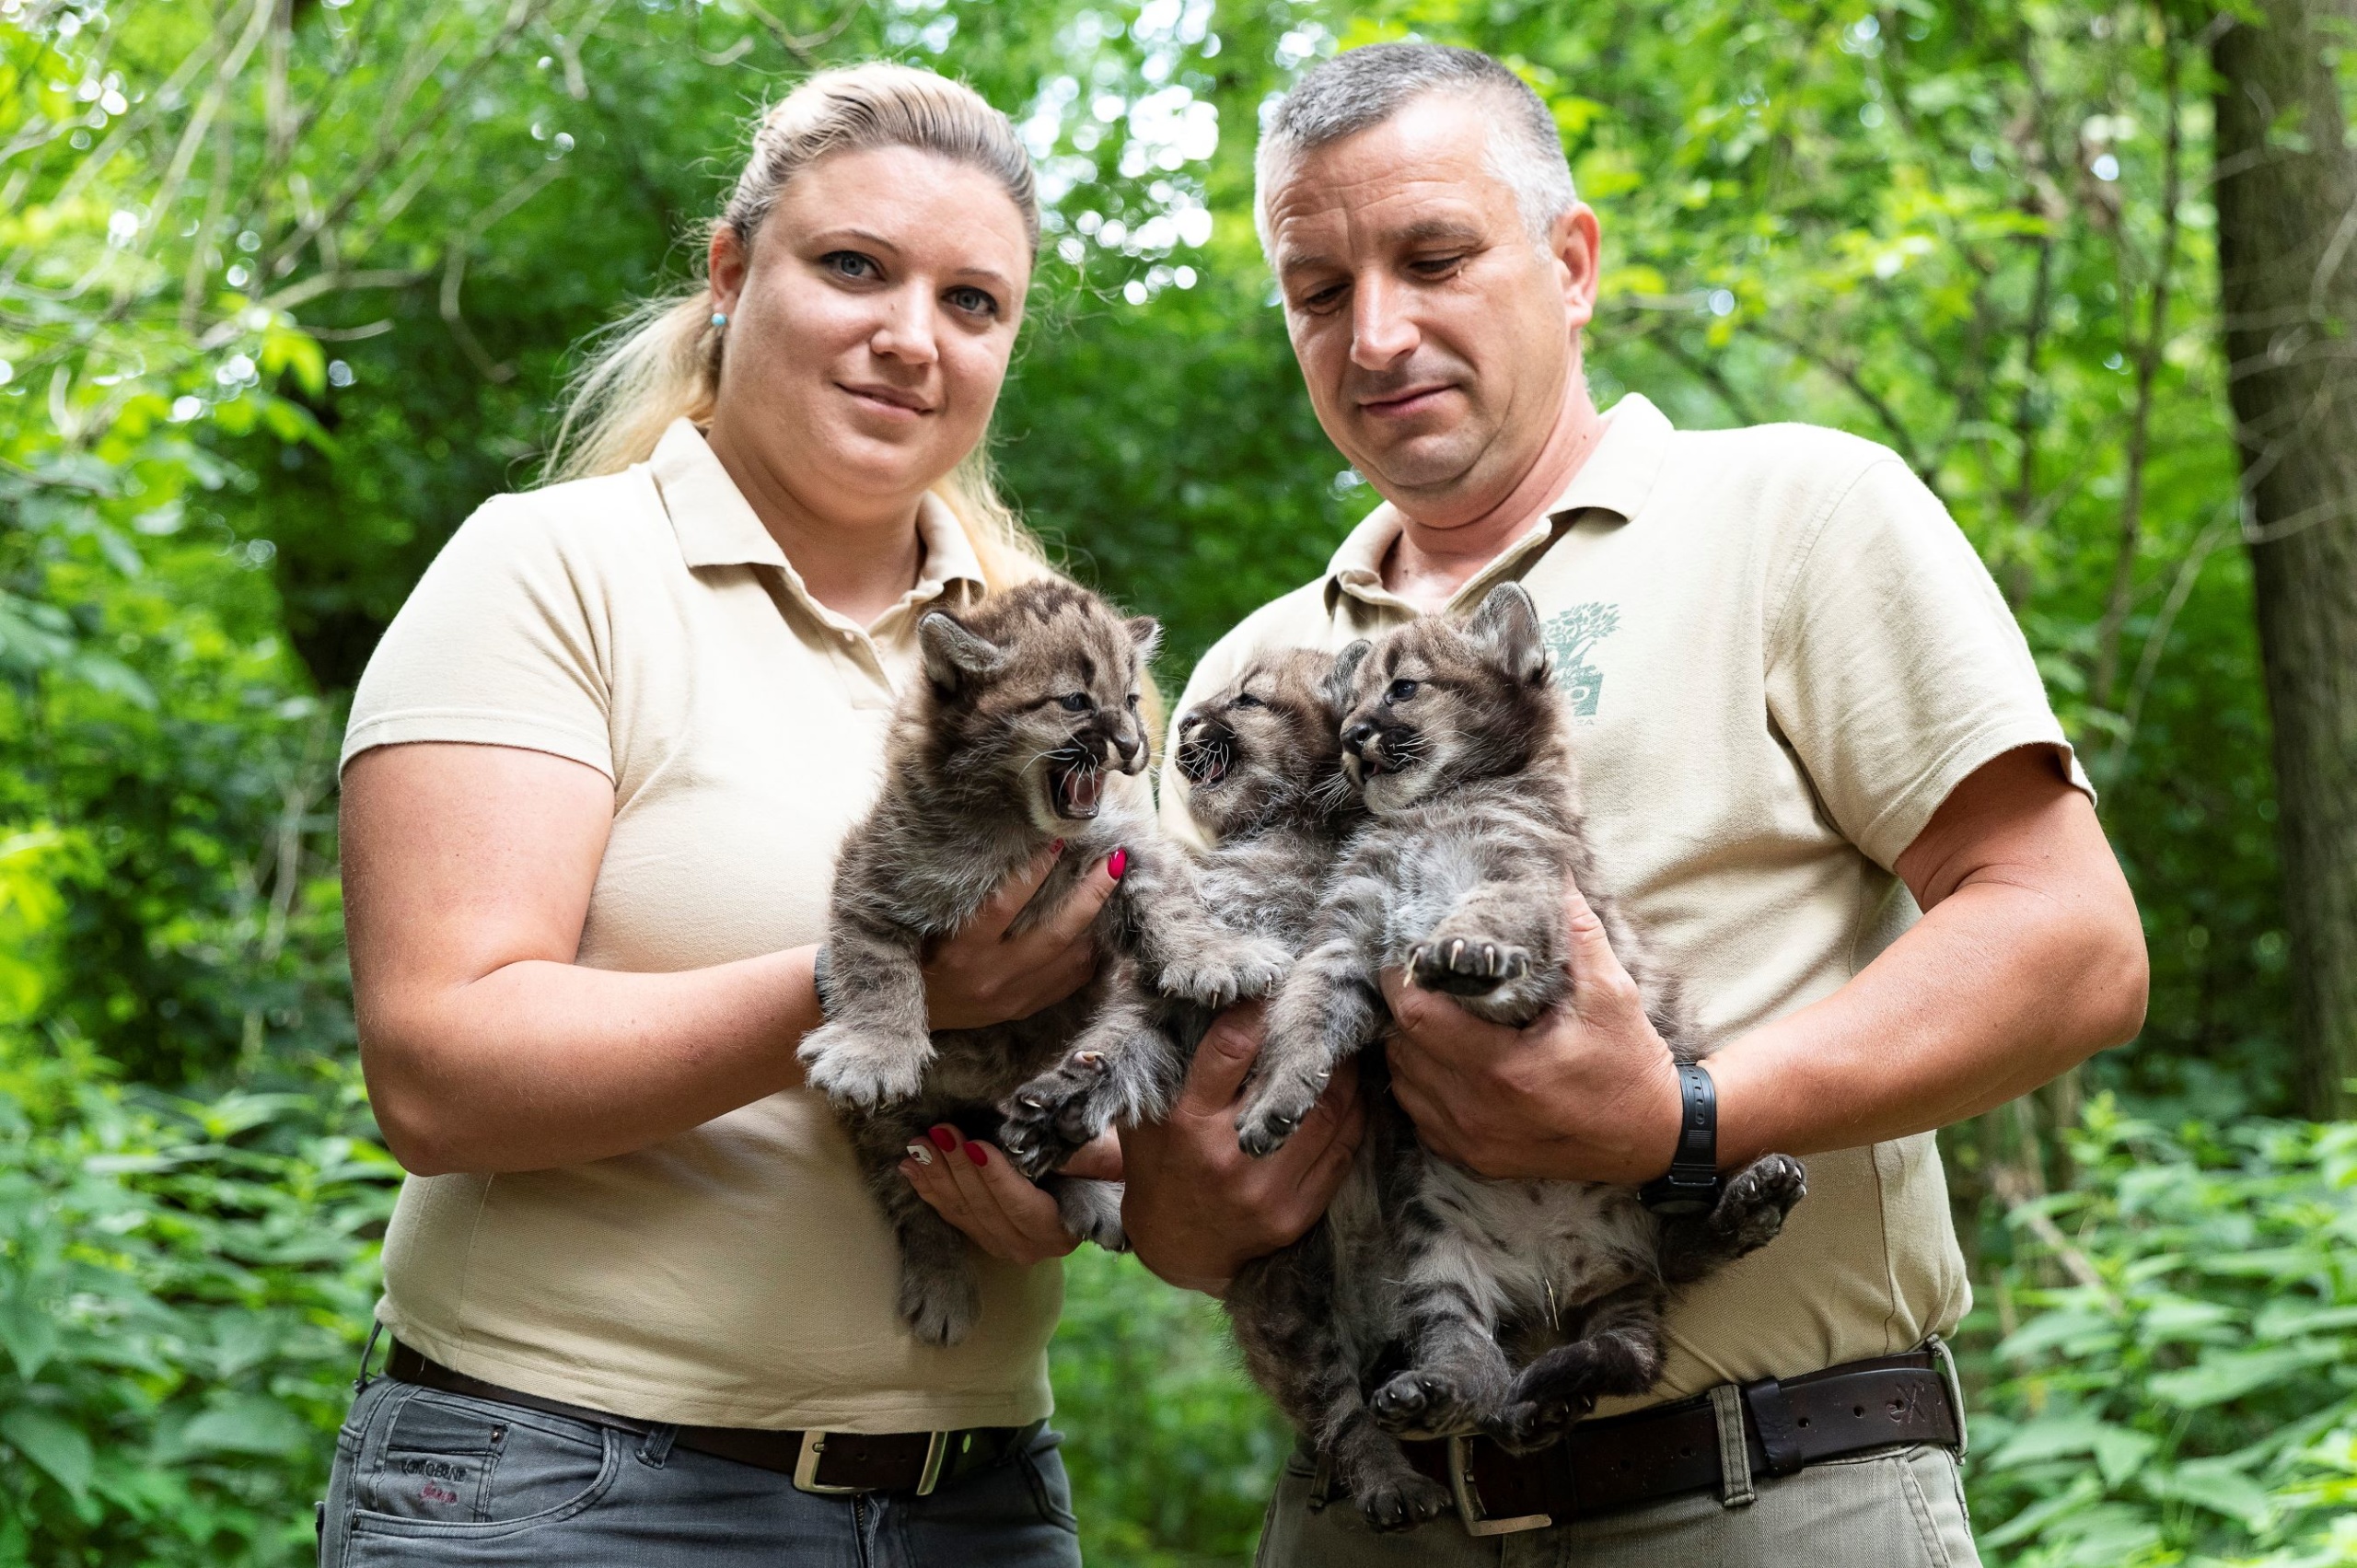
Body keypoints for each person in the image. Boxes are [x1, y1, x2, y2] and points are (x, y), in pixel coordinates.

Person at [1118, 43, 2150, 1565]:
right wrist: (1183, 1205)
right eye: (1319, 289)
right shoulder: (1253, 673)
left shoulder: (1795, 510)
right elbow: (1183, 1187)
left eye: (1436, 257)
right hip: (1373, 1512)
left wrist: (1686, 1120)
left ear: (1573, 261)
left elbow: (2072, 944)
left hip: (1761, 1492)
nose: (1378, 331)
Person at [322, 63, 1200, 1564]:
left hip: (976, 1502)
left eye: (972, 302)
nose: (909, 338)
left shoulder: (1054, 655)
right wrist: (875, 981)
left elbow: (1139, 1059)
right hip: (573, 1487)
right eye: (853, 267)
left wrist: (1067, 1182)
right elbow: (436, 1073)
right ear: (731, 273)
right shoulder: (553, 571)